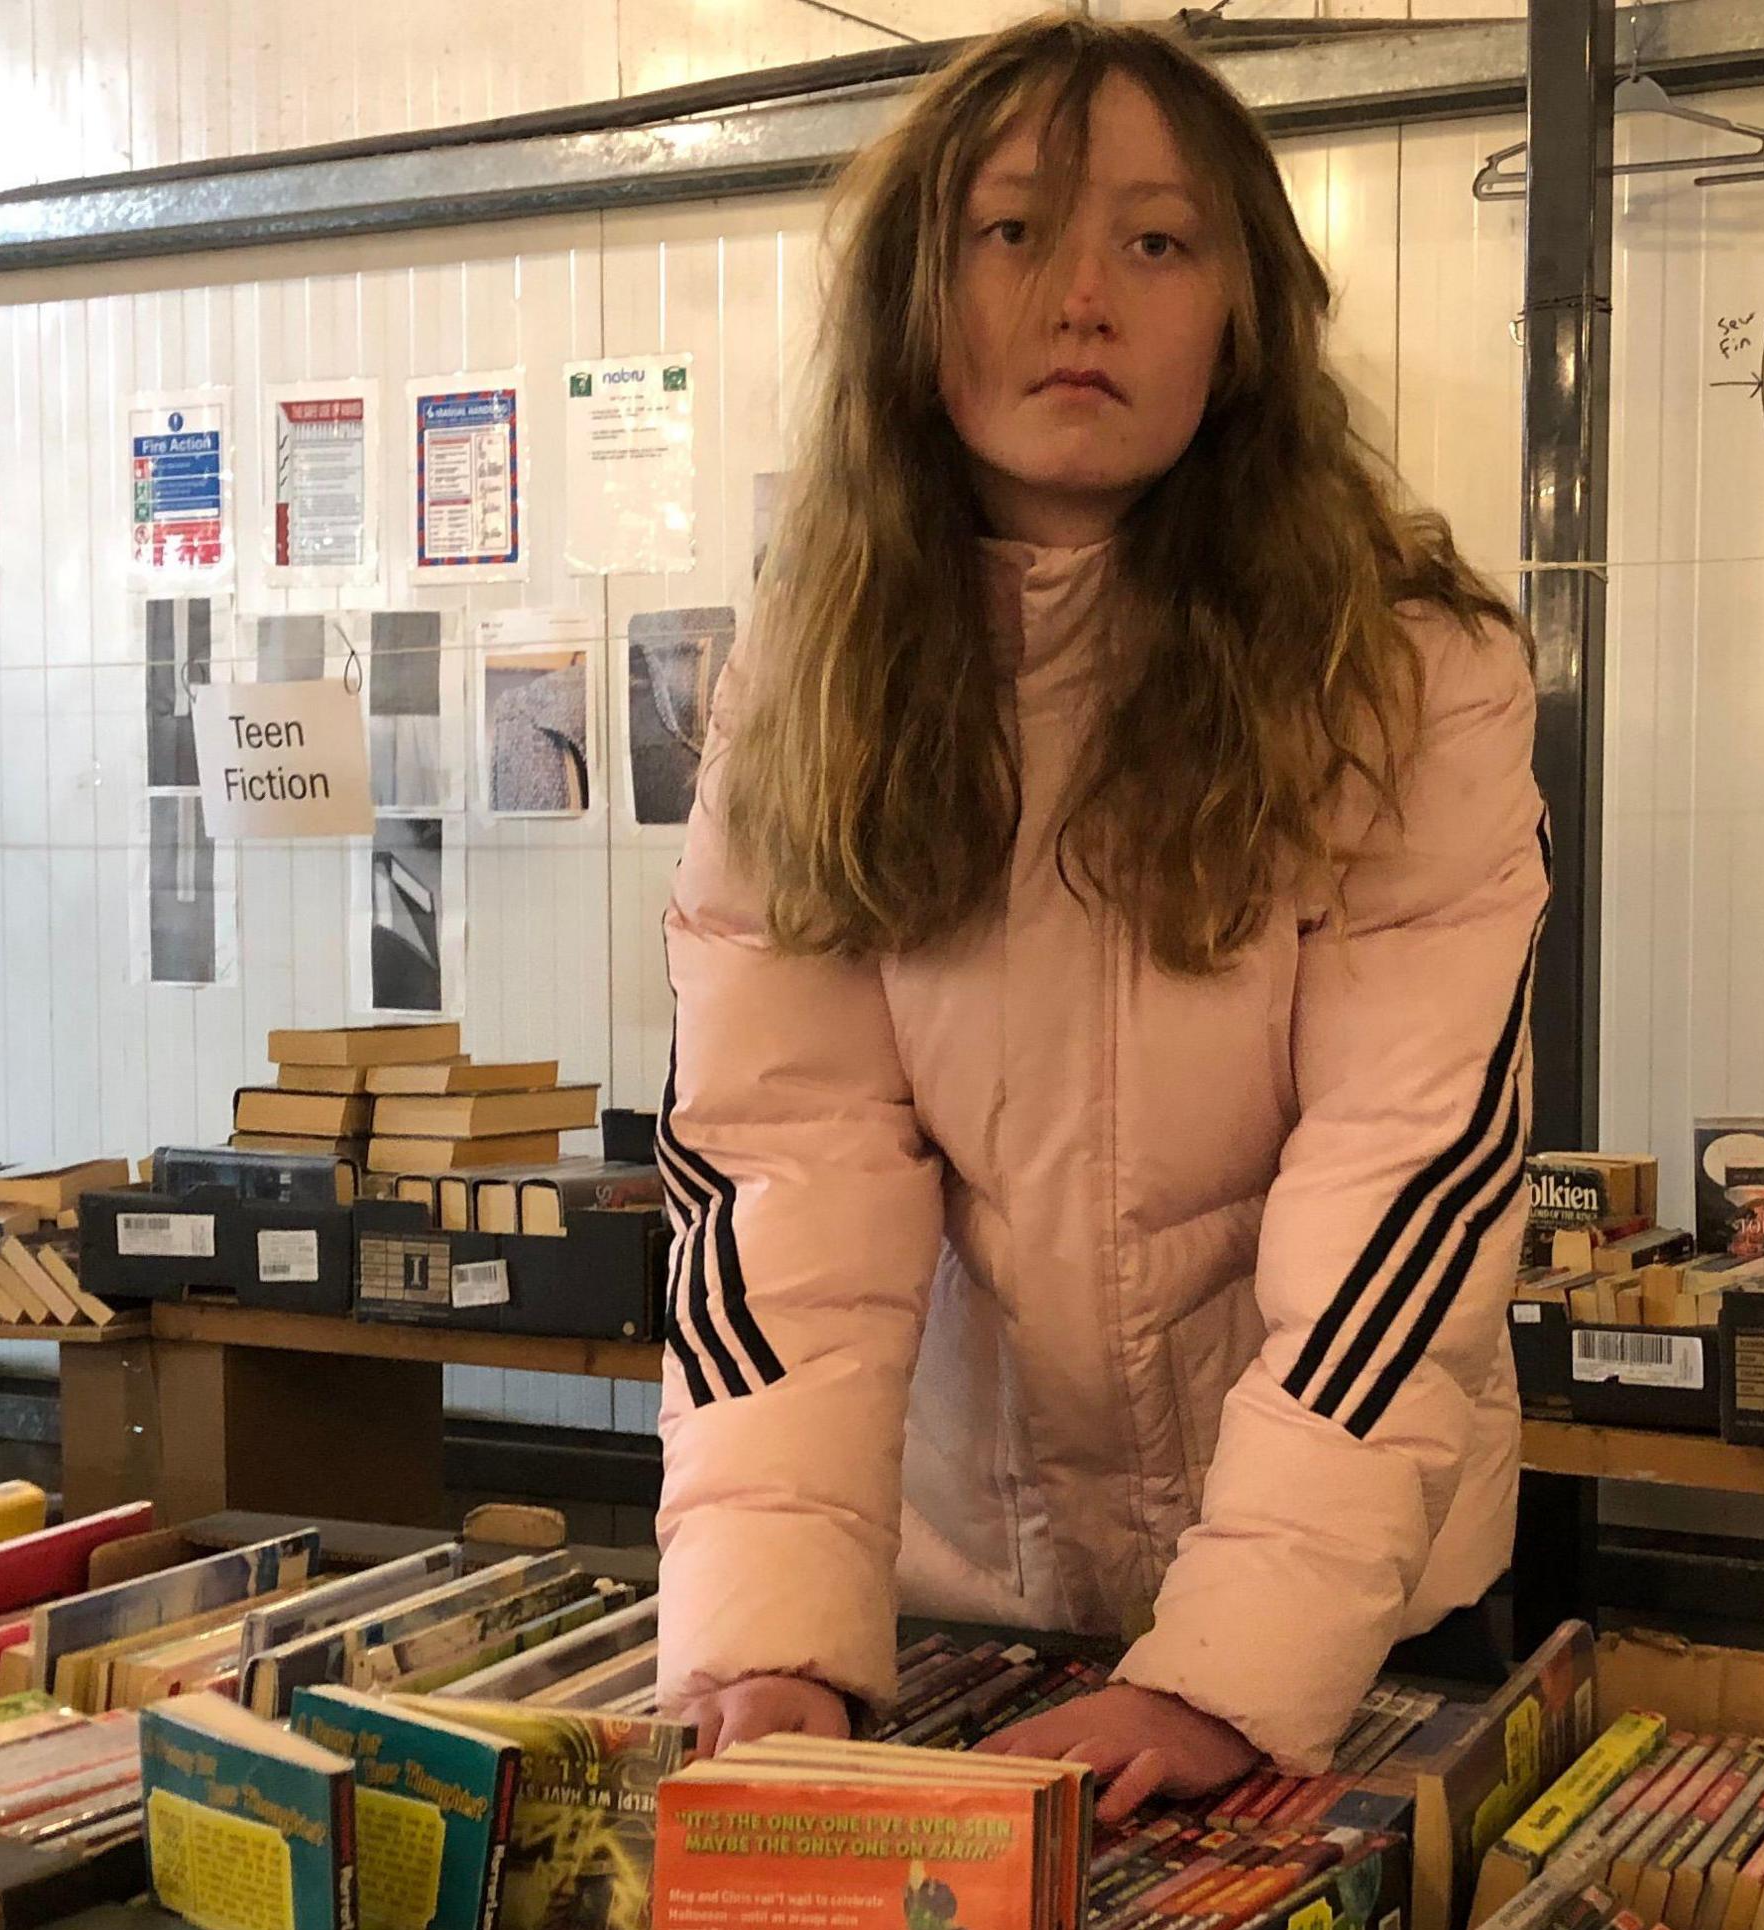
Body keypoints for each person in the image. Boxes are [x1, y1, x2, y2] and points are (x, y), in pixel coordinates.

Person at [652, 17, 1543, 1821]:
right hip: (954, 1601)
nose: (1084, 300)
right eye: (1014, 235)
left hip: (1347, 1617)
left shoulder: (1407, 672)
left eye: (1156, 241)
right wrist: (772, 1639)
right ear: (918, 293)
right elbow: (780, 1175)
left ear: (1243, 313)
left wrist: (1232, 1668)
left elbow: (1412, 1184)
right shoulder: (804, 682)